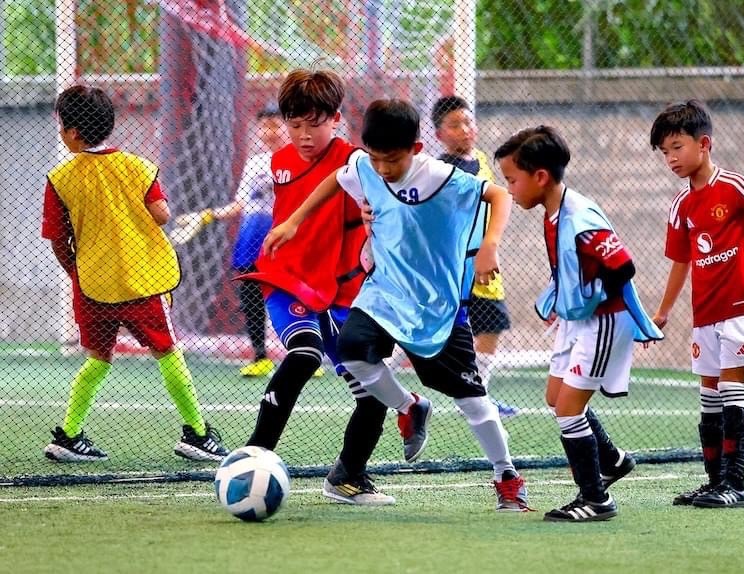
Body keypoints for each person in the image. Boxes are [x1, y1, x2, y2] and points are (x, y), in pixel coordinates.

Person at [267, 99, 531, 512]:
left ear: (417, 149)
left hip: (435, 305)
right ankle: (409, 407)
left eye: (393, 160)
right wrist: (294, 220)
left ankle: (506, 474)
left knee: (473, 402)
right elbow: (338, 178)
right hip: (383, 293)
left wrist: (490, 246)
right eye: (376, 159)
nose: (383, 169)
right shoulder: (365, 167)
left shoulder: (442, 177)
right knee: (352, 350)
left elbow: (499, 196)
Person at [41, 85, 228, 462]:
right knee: (168, 353)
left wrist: (76, 272)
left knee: (97, 358)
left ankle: (69, 434)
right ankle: (196, 432)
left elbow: (58, 240)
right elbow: (161, 214)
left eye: (61, 125)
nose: (60, 131)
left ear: (74, 132)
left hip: (92, 284)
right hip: (142, 280)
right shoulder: (137, 166)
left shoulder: (60, 178)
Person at [238, 69, 394, 505]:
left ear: (336, 119)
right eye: (295, 124)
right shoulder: (279, 162)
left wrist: (372, 223)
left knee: (372, 385)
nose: (304, 135)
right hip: (287, 280)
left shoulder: (356, 163)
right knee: (304, 353)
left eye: (314, 124)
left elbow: (379, 207)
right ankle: (254, 457)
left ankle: (347, 476)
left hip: (343, 288)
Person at [495, 126, 663, 522]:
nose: (510, 189)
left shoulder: (579, 217)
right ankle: (614, 460)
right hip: (578, 321)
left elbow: (622, 266)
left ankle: (596, 499)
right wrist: (565, 299)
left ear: (540, 177)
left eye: (512, 180)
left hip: (602, 321)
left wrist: (592, 299)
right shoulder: (552, 213)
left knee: (569, 408)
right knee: (555, 398)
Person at [650, 100, 744, 509]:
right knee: (709, 398)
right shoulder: (680, 205)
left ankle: (736, 485)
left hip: (741, 309)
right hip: (703, 315)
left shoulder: (734, 186)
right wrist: (663, 311)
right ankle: (714, 483)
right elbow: (680, 262)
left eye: (677, 147)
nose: (671, 158)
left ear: (703, 144)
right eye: (664, 152)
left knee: (730, 389)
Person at [172, 104, 324, 379]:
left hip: (287, 235)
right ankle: (260, 356)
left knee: (296, 293)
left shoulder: (304, 160)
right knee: (250, 293)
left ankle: (307, 354)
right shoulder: (255, 163)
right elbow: (241, 204)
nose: (269, 131)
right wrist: (207, 216)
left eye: (275, 125)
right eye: (264, 126)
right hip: (253, 233)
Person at [431, 95, 518, 417]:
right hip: (454, 265)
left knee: (491, 324)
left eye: (468, 122)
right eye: (455, 125)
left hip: (484, 261)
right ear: (439, 134)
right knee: (447, 329)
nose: (465, 129)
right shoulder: (440, 170)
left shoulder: (480, 159)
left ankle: (480, 392)